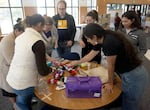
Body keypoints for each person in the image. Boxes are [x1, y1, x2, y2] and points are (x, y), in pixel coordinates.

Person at [69, 23, 148, 110]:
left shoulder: (109, 43)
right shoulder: (103, 37)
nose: (87, 41)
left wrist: (110, 83)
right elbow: (89, 56)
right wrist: (76, 62)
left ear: (94, 37)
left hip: (134, 75)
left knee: (130, 101)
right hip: (128, 72)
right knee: (126, 98)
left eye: (87, 39)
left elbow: (111, 66)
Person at [6, 14, 52, 110]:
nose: (44, 28)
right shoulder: (38, 41)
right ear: (39, 24)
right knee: (24, 105)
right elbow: (42, 71)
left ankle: (18, 105)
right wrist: (51, 69)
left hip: (12, 77)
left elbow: (27, 56)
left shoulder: (20, 37)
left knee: (22, 101)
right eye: (43, 25)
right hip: (23, 83)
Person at [0, 23, 24, 110]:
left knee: (17, 86)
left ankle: (20, 101)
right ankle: (15, 105)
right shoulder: (7, 41)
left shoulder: (16, 37)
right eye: (22, 33)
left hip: (13, 67)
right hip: (6, 68)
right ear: (16, 31)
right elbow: (11, 60)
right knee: (9, 89)